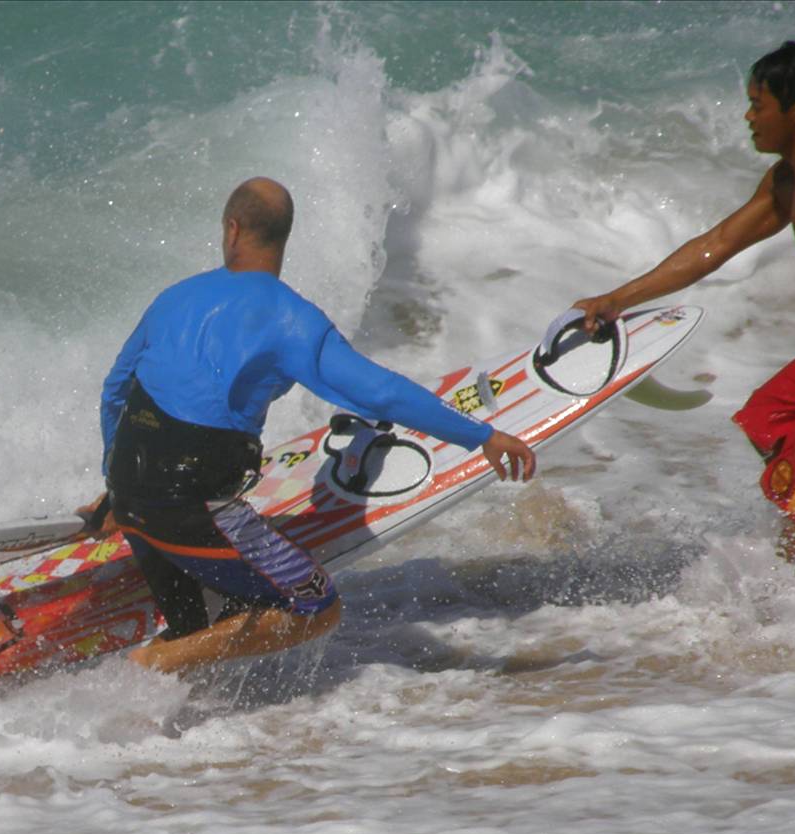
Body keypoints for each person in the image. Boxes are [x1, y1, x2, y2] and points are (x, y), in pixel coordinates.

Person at [93, 177, 536, 674]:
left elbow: (115, 390)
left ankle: (167, 670)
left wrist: (114, 492)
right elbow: (383, 393)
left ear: (231, 229)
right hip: (189, 506)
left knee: (206, 620)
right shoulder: (295, 322)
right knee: (315, 608)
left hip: (131, 498)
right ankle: (151, 662)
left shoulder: (173, 299)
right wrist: (483, 435)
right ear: (283, 239)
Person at [572, 41, 795, 563]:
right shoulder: (790, 178)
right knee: (766, 417)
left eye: (758, 105)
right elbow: (714, 246)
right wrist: (616, 300)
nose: (748, 117)